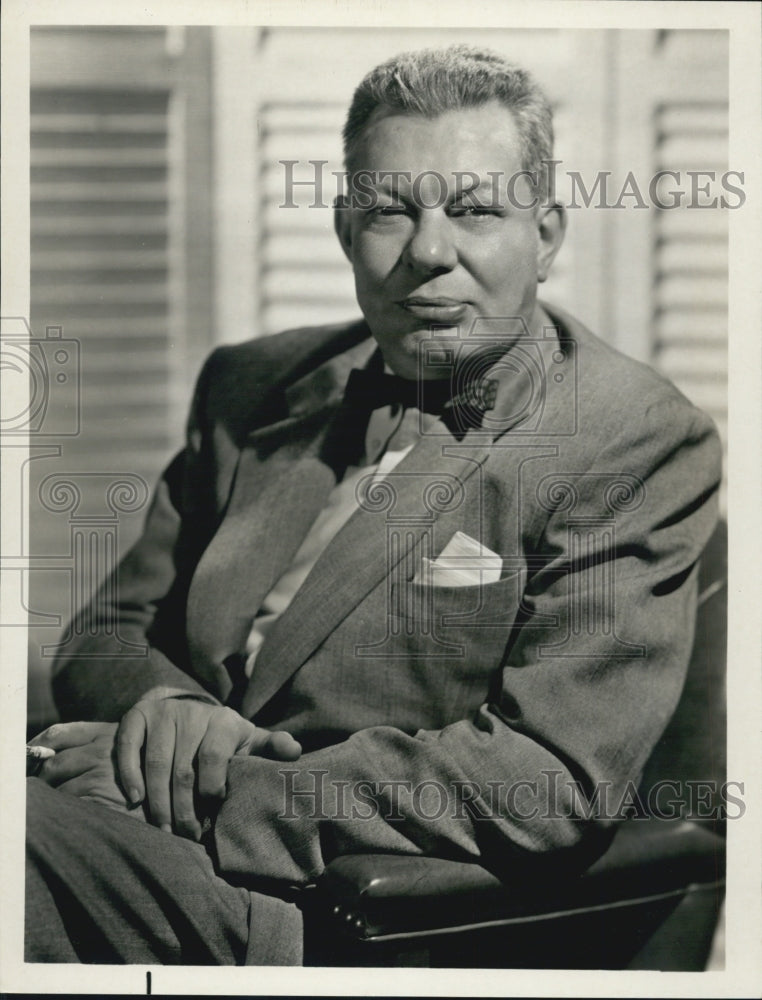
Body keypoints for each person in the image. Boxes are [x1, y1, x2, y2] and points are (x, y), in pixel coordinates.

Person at [25, 45, 721, 965]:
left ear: (547, 234)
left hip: (319, 902)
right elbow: (108, 628)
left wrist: (217, 786)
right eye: (392, 210)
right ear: (347, 229)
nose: (430, 252)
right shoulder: (253, 383)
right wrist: (170, 712)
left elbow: (550, 779)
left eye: (474, 209)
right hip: (123, 828)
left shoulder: (631, 439)